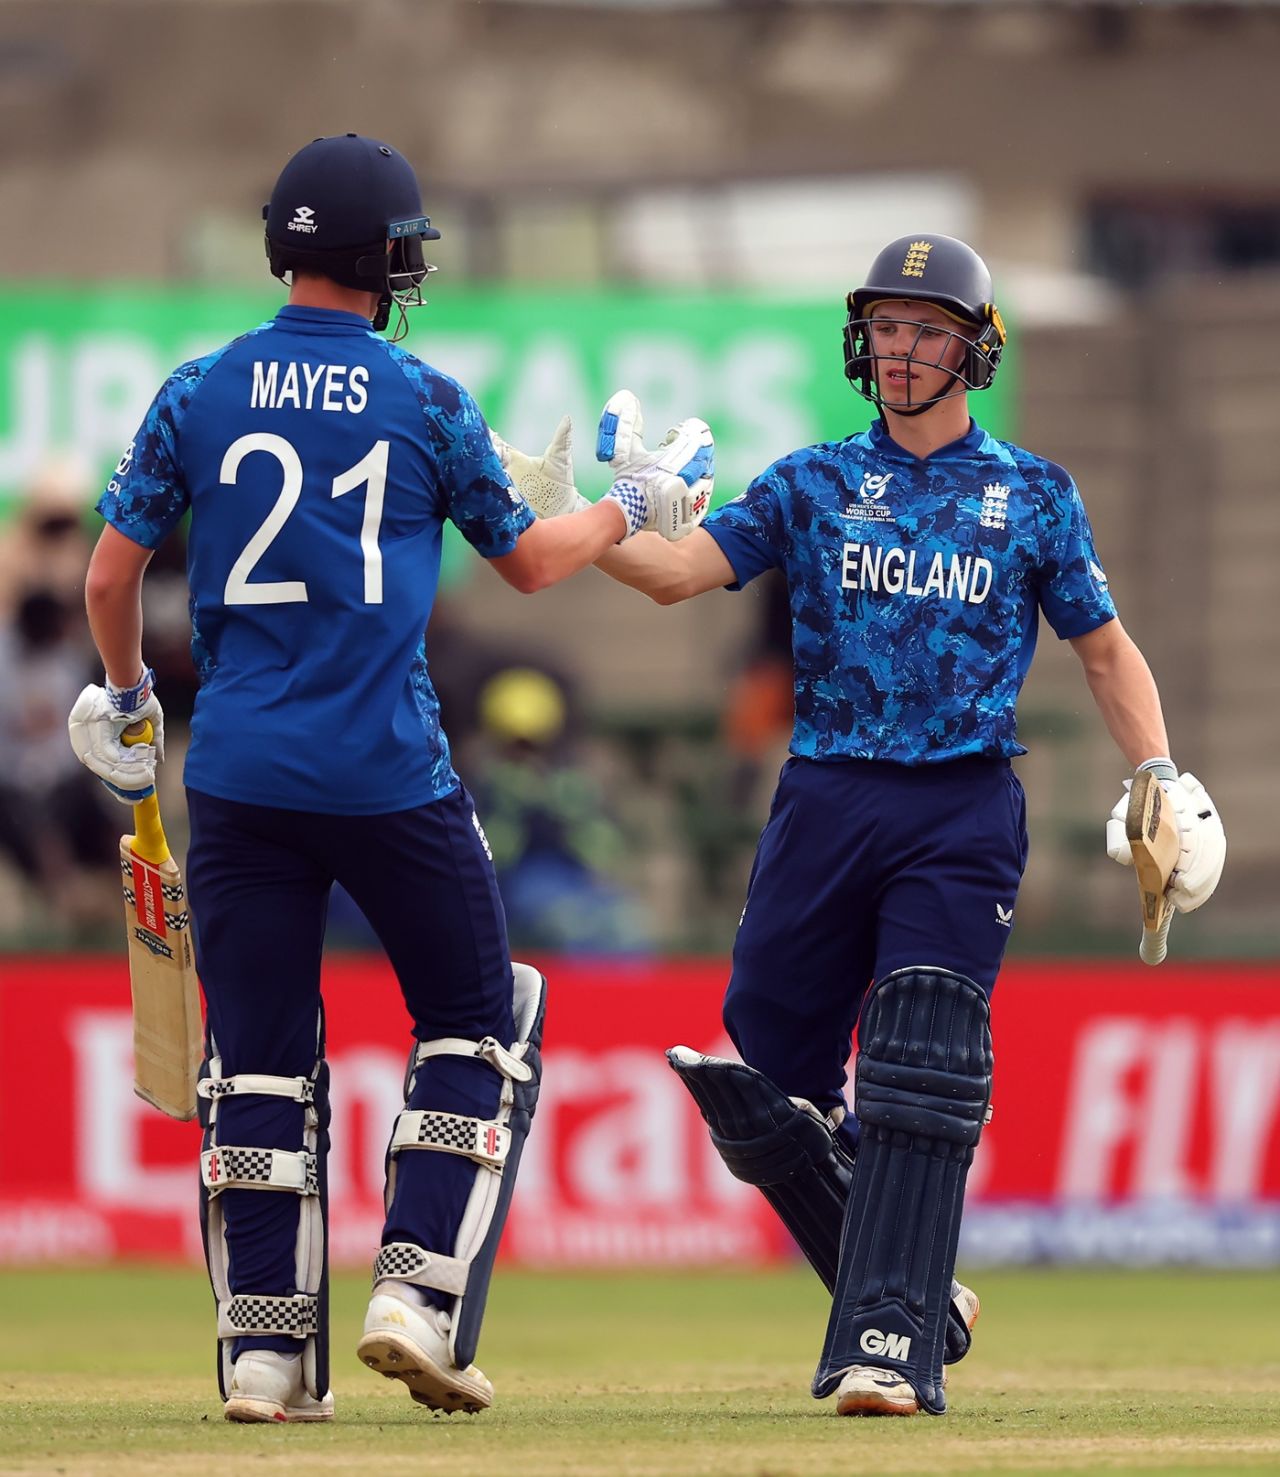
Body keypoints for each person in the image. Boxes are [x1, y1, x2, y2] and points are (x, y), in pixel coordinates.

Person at [498, 233, 1227, 1418]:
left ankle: (886, 1346)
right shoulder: (811, 480)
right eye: (884, 327)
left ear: (973, 348)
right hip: (826, 794)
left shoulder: (1032, 494)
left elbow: (1100, 646)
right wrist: (588, 520)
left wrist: (1155, 766)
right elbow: (681, 571)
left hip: (960, 805)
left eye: (925, 328)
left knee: (917, 1053)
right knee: (767, 1083)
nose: (898, 349)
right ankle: (919, 1286)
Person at [66, 132, 712, 1424]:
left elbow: (107, 579)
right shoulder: (421, 398)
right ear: (384, 261)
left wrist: (132, 700)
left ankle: (264, 1358)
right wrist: (639, 512)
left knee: (254, 1058)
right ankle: (414, 1294)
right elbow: (530, 562)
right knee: (483, 1016)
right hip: (389, 775)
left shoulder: (196, 390)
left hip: (240, 778)